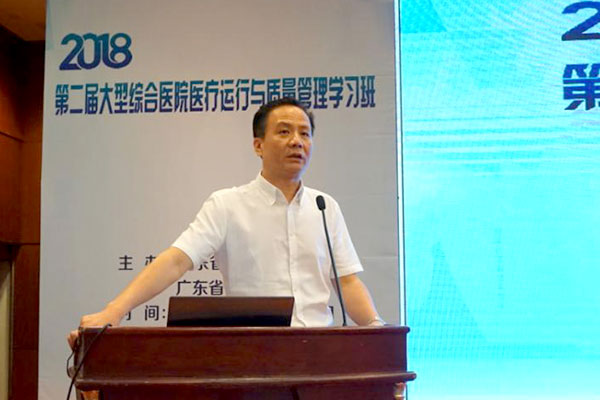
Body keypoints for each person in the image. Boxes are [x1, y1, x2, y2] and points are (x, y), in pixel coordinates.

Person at [68, 97, 385, 348]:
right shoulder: (228, 204)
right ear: (258, 145)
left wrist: (376, 329)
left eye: (305, 133)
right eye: (284, 132)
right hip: (252, 351)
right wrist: (114, 311)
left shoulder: (325, 207)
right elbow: (177, 260)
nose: (297, 141)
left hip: (320, 351)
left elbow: (347, 282)